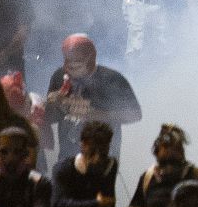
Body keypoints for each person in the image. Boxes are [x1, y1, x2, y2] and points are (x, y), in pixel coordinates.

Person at [43, 33, 142, 161]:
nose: (70, 67)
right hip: (68, 153)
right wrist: (53, 104)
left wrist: (97, 115)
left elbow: (135, 114)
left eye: (77, 63)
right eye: (67, 61)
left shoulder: (112, 79)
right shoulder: (59, 76)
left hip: (103, 154)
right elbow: (49, 118)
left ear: (90, 59)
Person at [129, 124, 198, 207]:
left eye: (176, 147)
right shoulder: (148, 178)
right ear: (158, 148)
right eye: (166, 146)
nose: (170, 151)